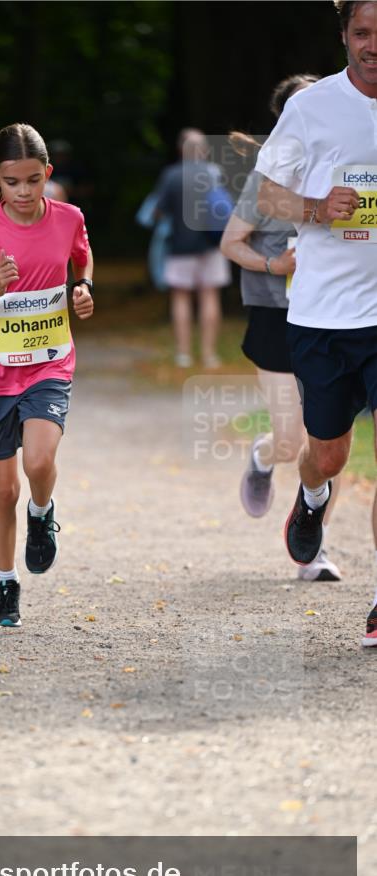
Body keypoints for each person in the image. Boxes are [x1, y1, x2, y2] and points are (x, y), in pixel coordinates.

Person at [256, 0, 377, 644]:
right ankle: (311, 498)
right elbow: (265, 195)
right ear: (345, 36)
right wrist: (316, 206)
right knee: (327, 452)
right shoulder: (312, 107)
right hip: (327, 314)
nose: (373, 44)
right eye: (363, 32)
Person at [0, 123, 94, 627]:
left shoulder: (69, 217)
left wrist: (84, 286)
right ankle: (5, 582)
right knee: (3, 488)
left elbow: (81, 256)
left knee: (40, 459)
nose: (26, 192)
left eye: (34, 180)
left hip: (50, 361)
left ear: (48, 174)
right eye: (13, 183)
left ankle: (42, 513)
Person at [220, 74, 342, 582]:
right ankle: (264, 454)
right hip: (276, 316)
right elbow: (232, 244)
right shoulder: (265, 181)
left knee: (327, 442)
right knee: (291, 440)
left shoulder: (350, 170)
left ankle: (313, 553)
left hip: (335, 314)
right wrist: (276, 268)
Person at [154, 128, 231, 369]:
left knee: (181, 297)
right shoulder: (215, 174)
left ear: (181, 150)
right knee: (209, 296)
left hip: (180, 246)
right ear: (205, 149)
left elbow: (158, 212)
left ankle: (183, 354)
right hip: (212, 245)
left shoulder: (172, 175)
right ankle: (209, 355)